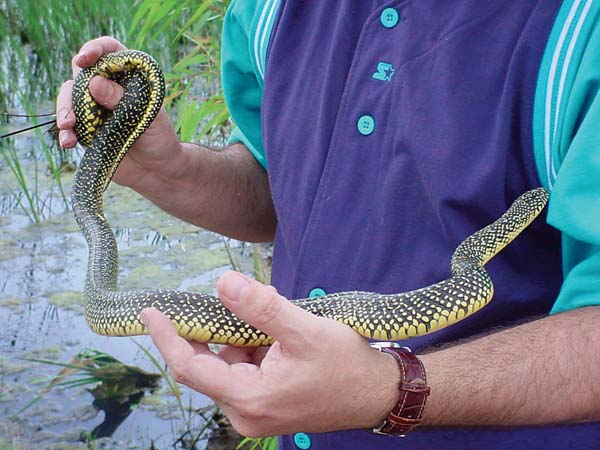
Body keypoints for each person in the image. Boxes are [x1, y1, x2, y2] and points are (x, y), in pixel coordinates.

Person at [56, 1, 600, 449]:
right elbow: (281, 191)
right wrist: (168, 171)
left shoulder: (580, 26)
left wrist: (394, 389)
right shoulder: (268, 10)